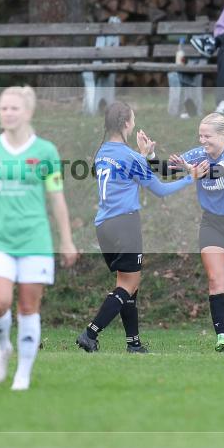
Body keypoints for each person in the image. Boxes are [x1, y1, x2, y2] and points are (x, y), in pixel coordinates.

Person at [0, 86, 78, 391]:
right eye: (3, 108)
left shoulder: (46, 151)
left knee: (28, 307)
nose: (8, 113)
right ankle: (3, 347)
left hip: (35, 240)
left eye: (14, 108)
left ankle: (23, 374)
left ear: (28, 112)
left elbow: (56, 198)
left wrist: (66, 239)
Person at [76, 101, 204, 354]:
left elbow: (124, 175)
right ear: (126, 124)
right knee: (127, 285)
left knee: (128, 285)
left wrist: (143, 155)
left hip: (104, 226)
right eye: (133, 119)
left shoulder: (102, 152)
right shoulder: (131, 157)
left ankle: (133, 343)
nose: (134, 123)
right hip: (124, 224)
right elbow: (161, 190)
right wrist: (191, 177)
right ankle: (90, 333)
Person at [170, 113, 224, 354]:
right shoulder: (198, 155)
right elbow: (166, 170)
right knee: (216, 280)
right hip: (212, 224)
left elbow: (218, 171)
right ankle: (222, 338)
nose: (202, 140)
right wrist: (149, 156)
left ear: (222, 135)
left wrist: (193, 171)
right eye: (200, 135)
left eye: (207, 136)